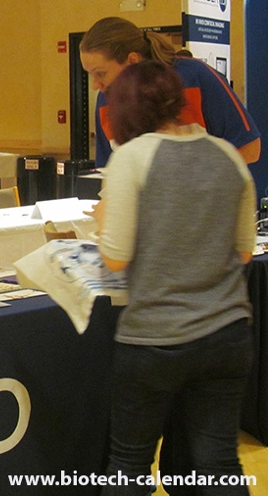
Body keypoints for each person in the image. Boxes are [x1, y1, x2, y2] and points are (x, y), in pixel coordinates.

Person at [98, 60, 256, 496]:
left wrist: (105, 217)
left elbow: (114, 257)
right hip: (227, 330)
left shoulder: (131, 159)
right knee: (219, 462)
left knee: (129, 465)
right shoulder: (227, 154)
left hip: (155, 337)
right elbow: (243, 250)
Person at [79, 16, 261, 169]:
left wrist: (190, 186)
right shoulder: (105, 101)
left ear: (132, 60)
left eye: (101, 73)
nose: (95, 85)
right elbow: (107, 171)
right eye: (91, 75)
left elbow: (249, 149)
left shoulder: (195, 77)